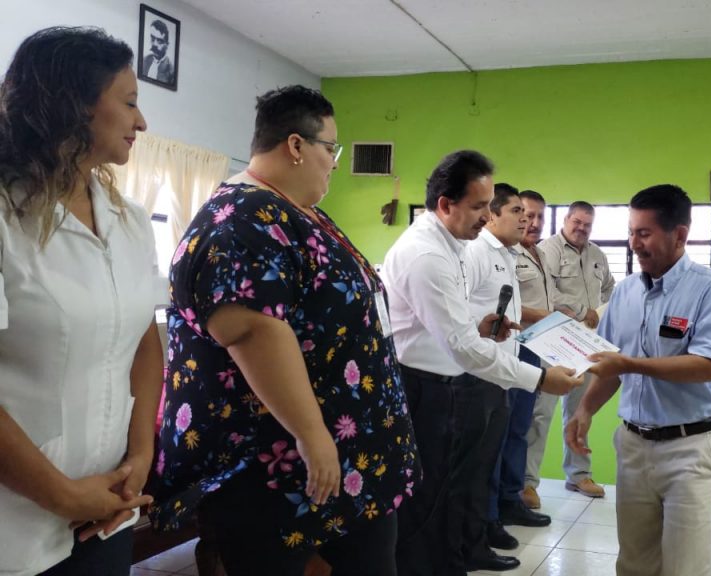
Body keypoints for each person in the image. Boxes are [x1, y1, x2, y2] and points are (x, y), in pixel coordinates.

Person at [150, 86, 418, 576]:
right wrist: (312, 434)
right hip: (279, 467)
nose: (334, 163)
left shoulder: (295, 210)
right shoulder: (243, 218)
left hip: (343, 458)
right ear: (296, 145)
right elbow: (251, 331)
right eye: (331, 149)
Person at [0, 27, 162, 575]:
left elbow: (144, 342)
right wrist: (63, 495)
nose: (142, 121)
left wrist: (140, 455)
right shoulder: (7, 218)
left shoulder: (130, 221)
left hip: (107, 510)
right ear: (74, 106)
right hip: (15, 524)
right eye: (130, 102)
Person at [383, 150, 581, 576]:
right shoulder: (427, 255)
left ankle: (449, 561)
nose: (486, 217)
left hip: (446, 382)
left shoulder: (450, 244)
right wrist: (540, 378)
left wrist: (478, 323)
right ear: (445, 204)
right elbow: (463, 348)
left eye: (490, 206)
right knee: (426, 504)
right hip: (422, 388)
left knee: (448, 495)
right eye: (479, 207)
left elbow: (448, 325)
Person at [565, 184, 711, 576]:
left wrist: (630, 364)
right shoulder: (625, 293)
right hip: (633, 445)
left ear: (680, 235)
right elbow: (609, 364)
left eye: (644, 233)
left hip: (690, 447)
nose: (634, 244)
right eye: (631, 232)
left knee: (685, 567)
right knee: (634, 562)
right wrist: (585, 410)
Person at [462, 183, 550, 563]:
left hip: (503, 371)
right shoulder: (476, 252)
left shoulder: (507, 254)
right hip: (480, 374)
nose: (526, 220)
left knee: (499, 448)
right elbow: (459, 314)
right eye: (517, 212)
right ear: (492, 215)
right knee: (479, 462)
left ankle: (491, 521)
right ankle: (478, 534)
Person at [538, 200, 615, 499]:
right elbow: (547, 292)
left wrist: (603, 312)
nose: (581, 228)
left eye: (587, 224)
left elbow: (610, 288)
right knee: (541, 413)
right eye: (577, 222)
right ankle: (527, 482)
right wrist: (584, 311)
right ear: (566, 220)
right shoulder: (548, 250)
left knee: (582, 409)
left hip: (586, 344)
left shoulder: (597, 255)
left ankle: (579, 476)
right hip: (552, 340)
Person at [518, 190, 573, 509]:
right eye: (528, 215)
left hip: (549, 347)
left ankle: (529, 483)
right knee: (517, 423)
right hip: (519, 348)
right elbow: (501, 305)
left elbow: (549, 299)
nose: (535, 222)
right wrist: (545, 315)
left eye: (540, 216)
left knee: (541, 418)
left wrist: (564, 314)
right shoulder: (507, 254)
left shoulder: (541, 254)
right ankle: (514, 488)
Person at [141, 19, 174, 84]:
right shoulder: (144, 60)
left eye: (159, 41)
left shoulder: (171, 71)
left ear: (167, 45)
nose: (155, 44)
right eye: (152, 39)